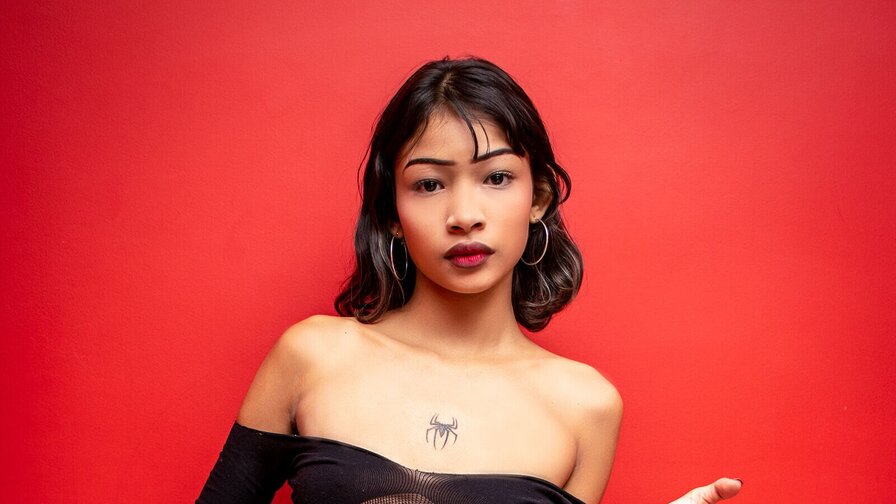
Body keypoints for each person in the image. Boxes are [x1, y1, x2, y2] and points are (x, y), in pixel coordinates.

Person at [197, 57, 742, 504]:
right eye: (429, 184)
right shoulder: (312, 356)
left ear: (538, 198)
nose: (464, 215)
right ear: (391, 212)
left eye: (497, 177)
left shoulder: (586, 406)